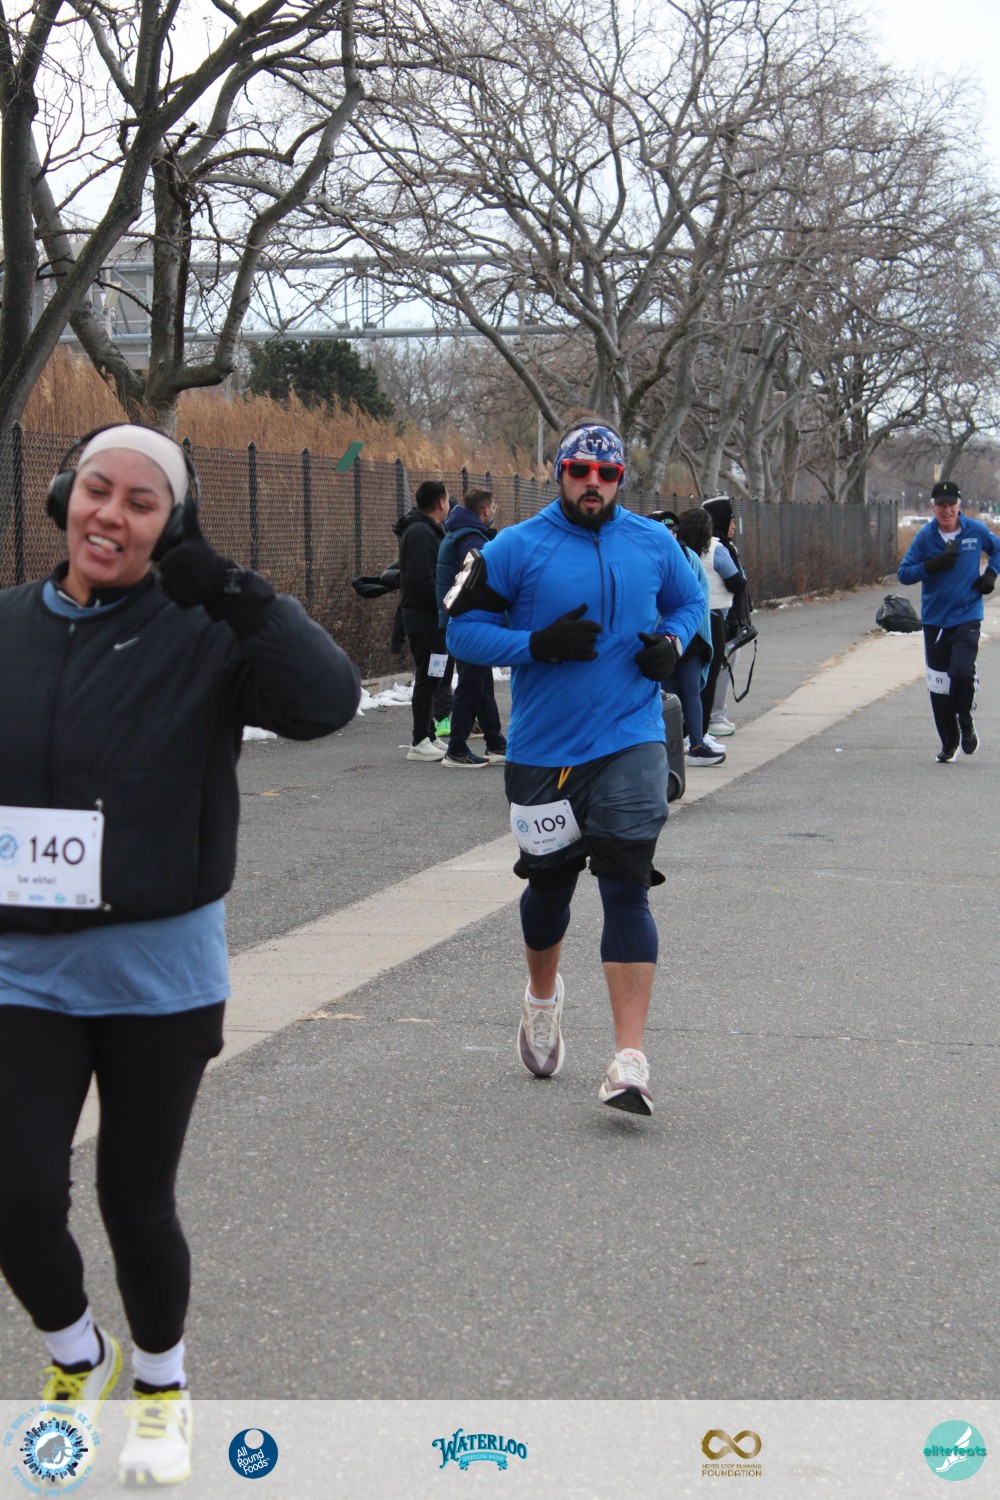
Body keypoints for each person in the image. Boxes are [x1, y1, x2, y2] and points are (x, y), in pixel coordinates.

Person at [0, 426, 361, 1483]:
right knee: (14, 1194)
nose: (109, 515)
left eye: (141, 502)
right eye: (95, 490)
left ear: (173, 525)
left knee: (135, 1199)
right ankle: (80, 1353)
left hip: (157, 975)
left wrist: (238, 594)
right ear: (63, 496)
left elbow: (327, 703)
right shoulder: (7, 626)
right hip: (22, 968)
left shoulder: (205, 631)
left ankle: (162, 1384)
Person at [446, 421, 705, 1115]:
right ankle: (542, 998)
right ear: (559, 471)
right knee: (550, 889)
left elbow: (689, 601)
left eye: (608, 474)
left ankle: (629, 1060)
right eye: (581, 471)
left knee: (626, 887)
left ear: (621, 480)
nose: (594, 483)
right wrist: (535, 644)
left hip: (631, 739)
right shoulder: (515, 546)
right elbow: (461, 630)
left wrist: (673, 641)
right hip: (544, 753)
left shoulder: (654, 542)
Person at [898, 479, 1000, 761]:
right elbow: (904, 573)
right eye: (941, 505)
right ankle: (949, 743)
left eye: (951, 505)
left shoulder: (974, 531)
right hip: (935, 620)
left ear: (959, 505)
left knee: (962, 672)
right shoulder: (925, 537)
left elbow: (998, 549)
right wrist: (932, 565)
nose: (947, 510)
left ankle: (966, 723)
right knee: (939, 686)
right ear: (933, 507)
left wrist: (990, 575)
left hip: (967, 615)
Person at [435, 488, 507, 767]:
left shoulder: (460, 532)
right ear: (485, 509)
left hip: (464, 619)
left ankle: (495, 742)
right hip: (470, 621)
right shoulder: (471, 539)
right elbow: (478, 581)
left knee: (481, 682)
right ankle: (457, 748)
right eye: (493, 507)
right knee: (471, 683)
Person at [393, 479, 453, 760]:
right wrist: (443, 604)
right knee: (428, 677)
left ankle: (428, 734)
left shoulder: (428, 530)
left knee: (434, 676)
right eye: (448, 499)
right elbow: (421, 579)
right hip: (425, 618)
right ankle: (419, 740)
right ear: (441, 502)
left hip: (431, 618)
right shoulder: (420, 532)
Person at [666, 510, 725, 766]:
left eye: (673, 530)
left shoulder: (687, 557)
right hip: (664, 641)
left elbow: (700, 597)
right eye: (664, 530)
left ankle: (696, 743)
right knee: (668, 696)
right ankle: (670, 750)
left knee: (690, 692)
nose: (669, 535)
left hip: (688, 641)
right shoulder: (651, 558)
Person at [701, 498, 749, 736]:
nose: (733, 525)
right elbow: (737, 583)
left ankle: (711, 716)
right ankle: (715, 717)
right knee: (723, 666)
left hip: (707, 617)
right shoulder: (719, 549)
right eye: (731, 520)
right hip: (722, 619)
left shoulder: (697, 545)